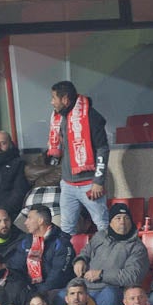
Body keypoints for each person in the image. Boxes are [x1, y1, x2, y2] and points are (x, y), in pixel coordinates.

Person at [45, 80, 111, 234]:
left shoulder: (92, 117)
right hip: (68, 185)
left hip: (90, 185)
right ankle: (69, 258)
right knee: (67, 229)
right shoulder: (59, 117)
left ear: (65, 99)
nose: (51, 102)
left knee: (102, 225)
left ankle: (106, 256)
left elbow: (103, 149)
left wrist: (98, 182)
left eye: (54, 98)